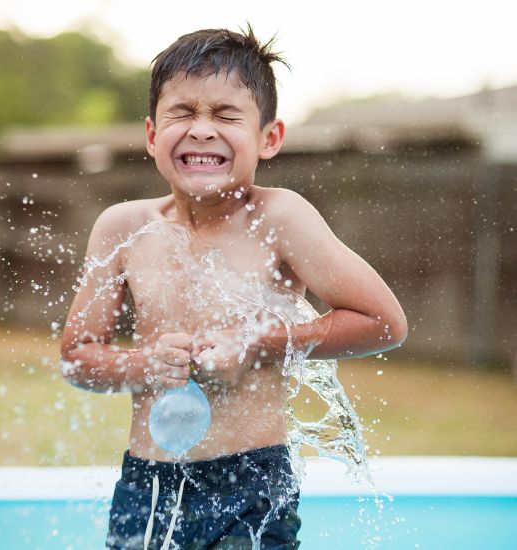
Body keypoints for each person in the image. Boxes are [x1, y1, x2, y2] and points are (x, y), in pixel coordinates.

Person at [60, 25, 407, 550]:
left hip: (253, 483)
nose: (201, 130)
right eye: (183, 113)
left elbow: (384, 323)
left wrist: (261, 344)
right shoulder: (123, 228)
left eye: (225, 115)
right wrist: (143, 363)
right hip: (149, 482)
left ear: (269, 137)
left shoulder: (281, 219)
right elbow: (77, 358)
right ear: (153, 134)